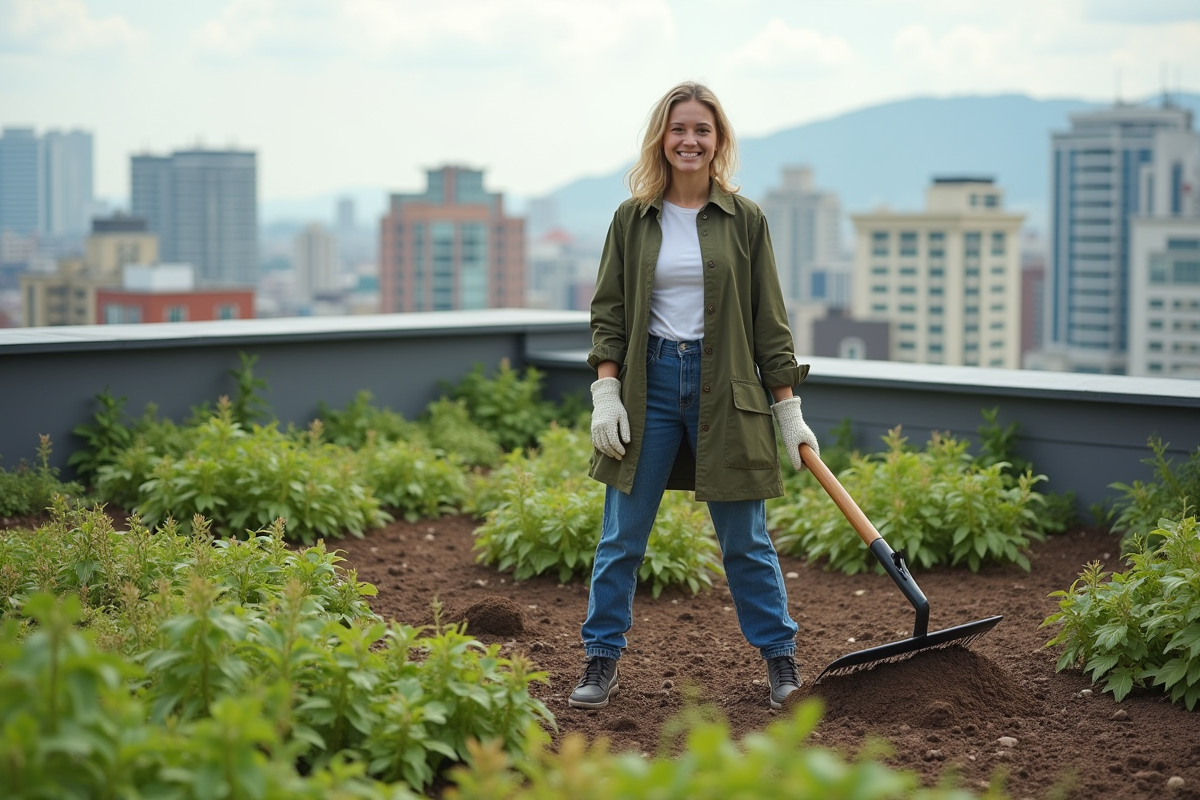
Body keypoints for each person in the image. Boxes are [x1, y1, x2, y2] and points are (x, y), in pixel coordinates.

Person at [572, 81, 820, 711]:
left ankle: (780, 659)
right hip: (647, 387)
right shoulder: (632, 219)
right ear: (662, 138)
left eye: (702, 130)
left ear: (718, 140)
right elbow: (608, 313)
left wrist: (788, 410)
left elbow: (769, 321)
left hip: (727, 391)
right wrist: (607, 393)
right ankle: (601, 658)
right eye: (679, 128)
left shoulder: (746, 220)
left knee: (747, 541)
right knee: (621, 537)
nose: (690, 140)